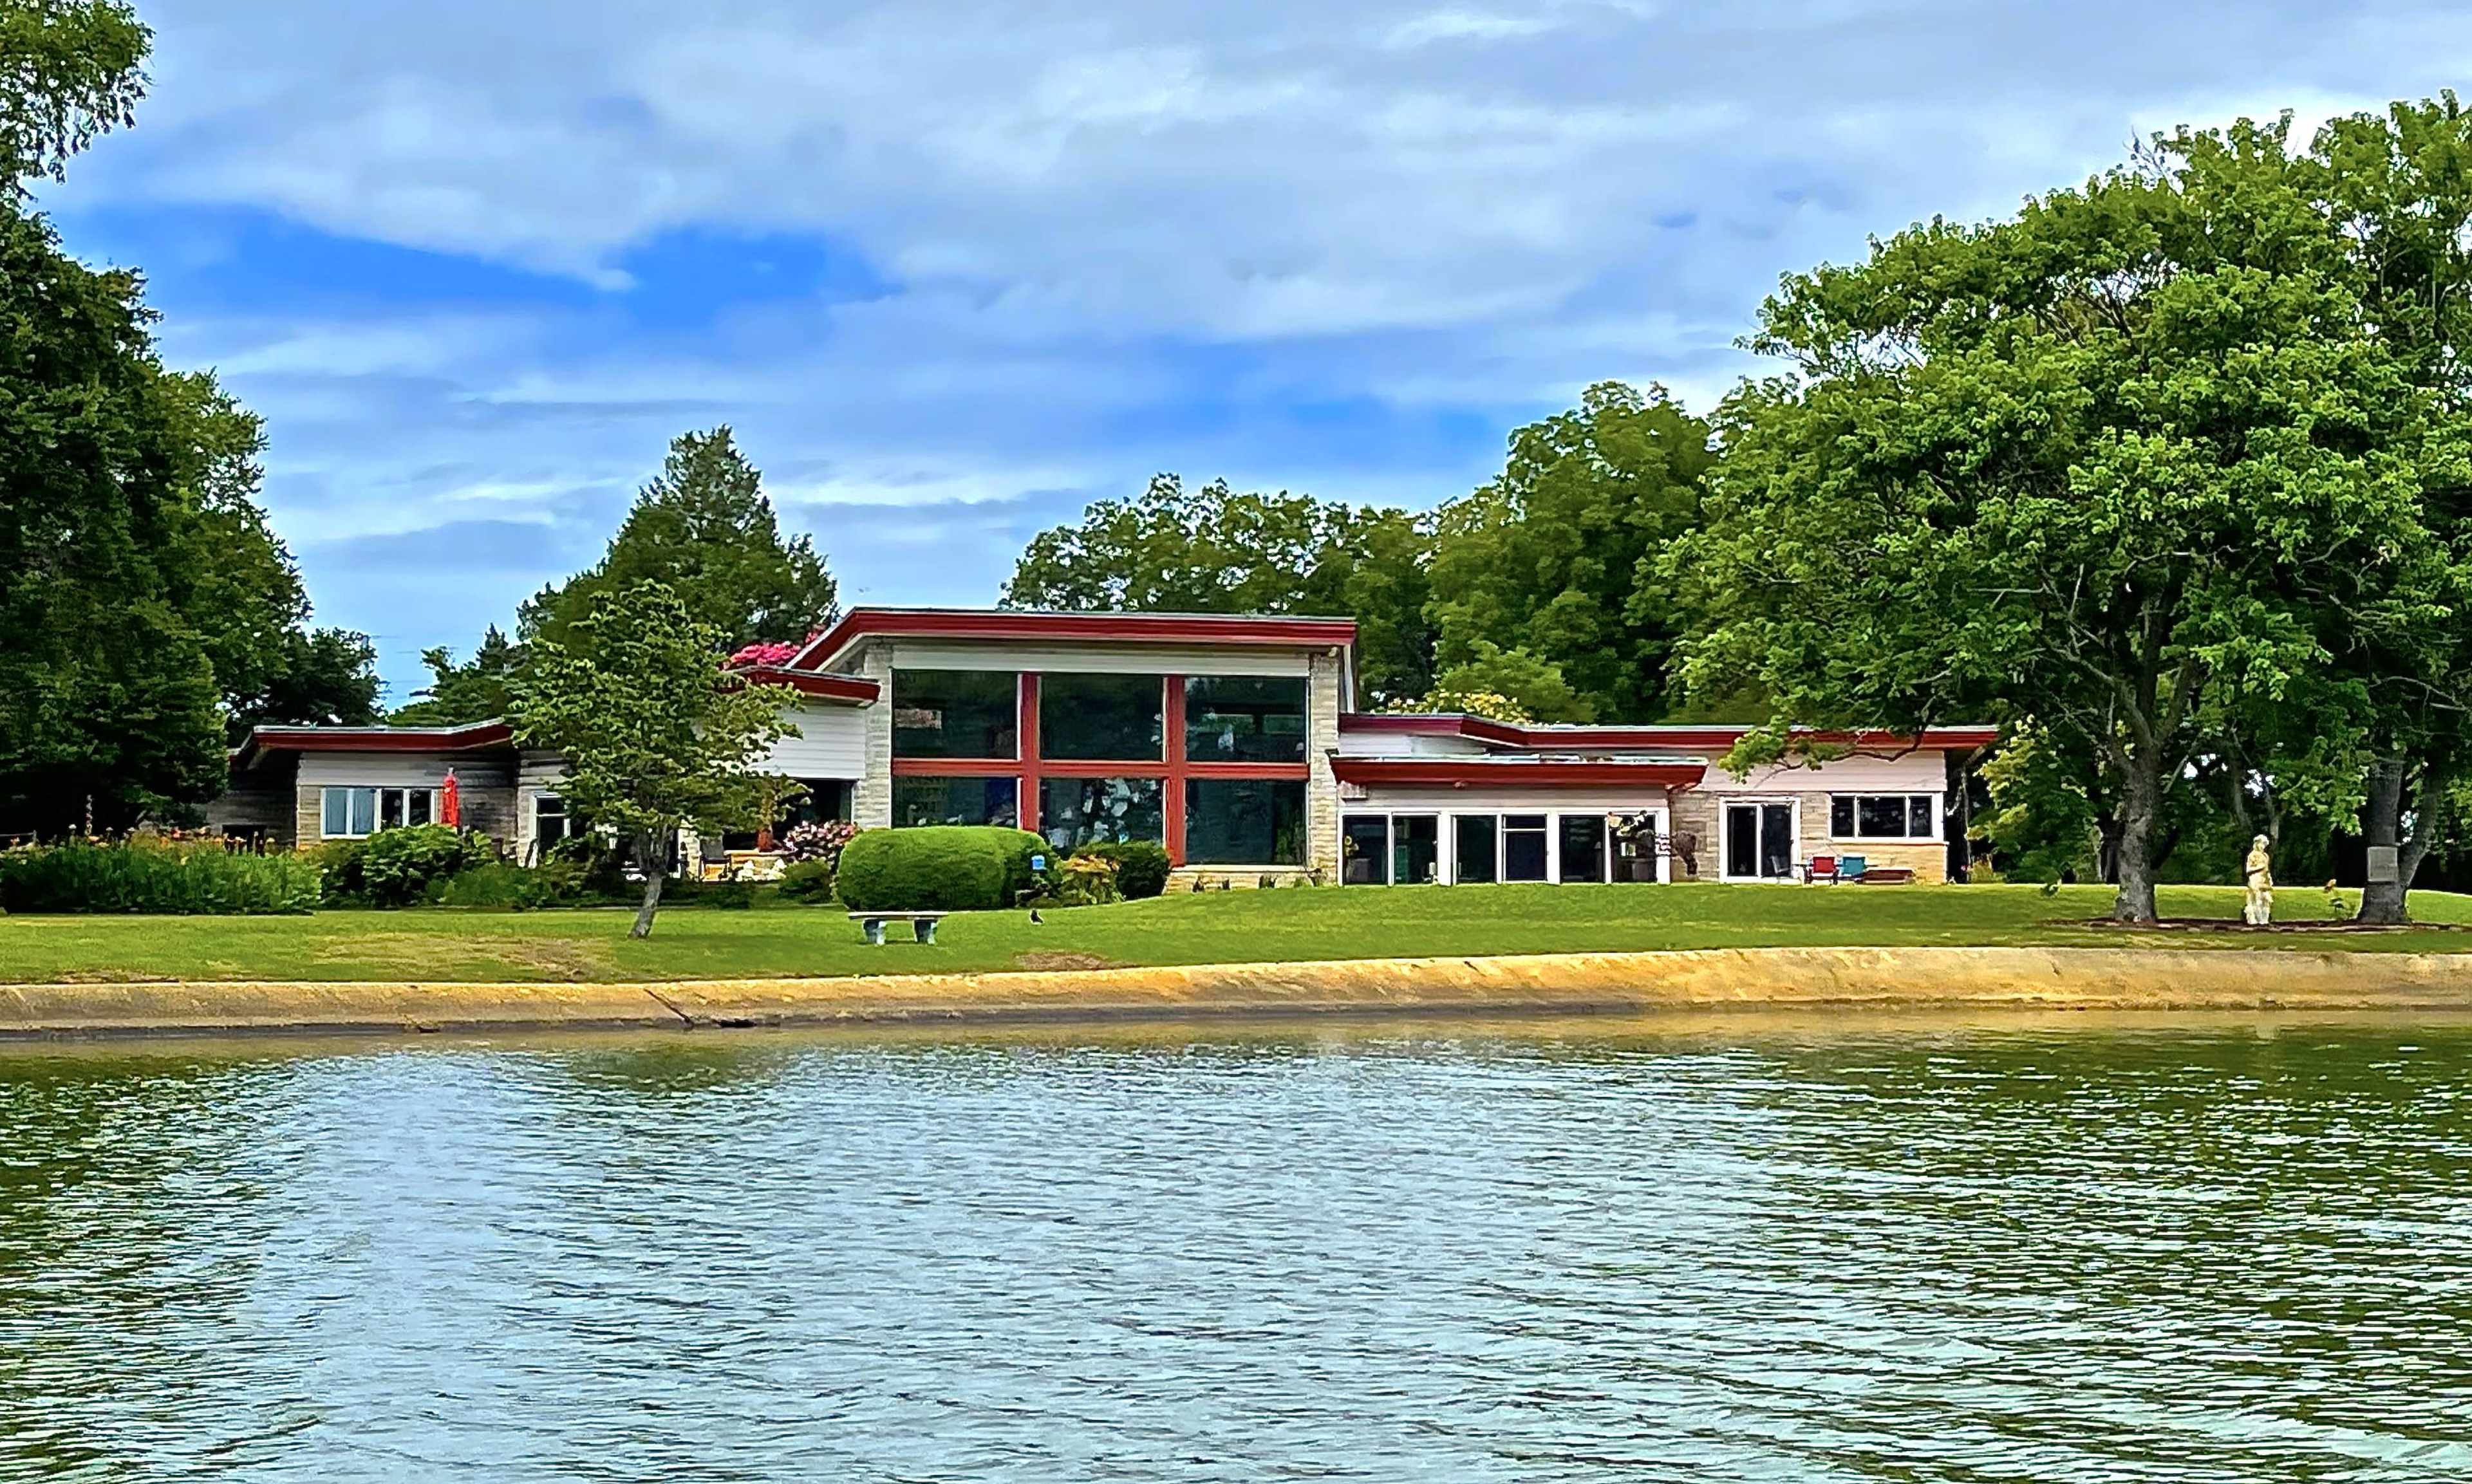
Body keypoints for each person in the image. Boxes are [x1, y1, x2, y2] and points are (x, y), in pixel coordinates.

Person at [2243, 834, 2274, 927]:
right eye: (2261, 844)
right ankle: (2254, 920)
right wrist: (2259, 868)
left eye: (2265, 845)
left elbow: (2267, 870)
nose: (2263, 847)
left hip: (2264, 881)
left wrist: (2269, 878)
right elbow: (2248, 870)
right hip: (2255, 880)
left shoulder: (2265, 856)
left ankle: (2264, 920)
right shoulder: (2252, 855)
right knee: (2257, 900)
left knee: (2266, 900)